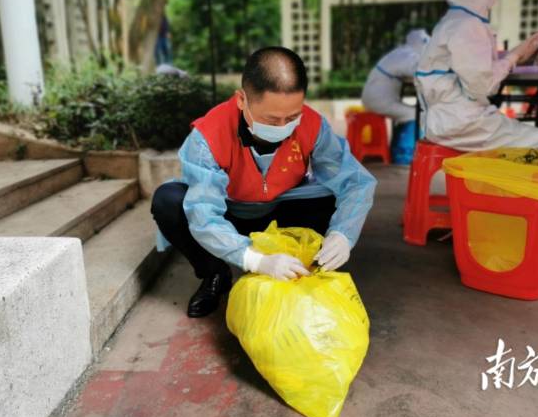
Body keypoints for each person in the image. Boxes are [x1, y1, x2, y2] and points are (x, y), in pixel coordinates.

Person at [151, 47, 377, 318]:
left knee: (330, 199)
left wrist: (343, 234)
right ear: (241, 100)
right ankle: (215, 274)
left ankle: (303, 271)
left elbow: (356, 182)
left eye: (292, 117)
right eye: (272, 119)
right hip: (229, 214)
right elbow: (204, 215)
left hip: (283, 210)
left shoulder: (313, 125)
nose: (283, 126)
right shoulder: (208, 135)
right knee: (168, 201)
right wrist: (256, 260)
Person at [415, 0, 538, 152]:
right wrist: (513, 56)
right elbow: (483, 85)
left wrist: (512, 57)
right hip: (459, 122)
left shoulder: (459, 20)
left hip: (453, 118)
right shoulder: (467, 25)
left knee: (525, 138)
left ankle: (500, 184)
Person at [362, 29, 431, 164]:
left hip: (375, 98)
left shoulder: (400, 53)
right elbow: (420, 71)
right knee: (415, 114)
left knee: (408, 113)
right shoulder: (407, 55)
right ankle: (405, 154)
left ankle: (398, 149)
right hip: (378, 100)